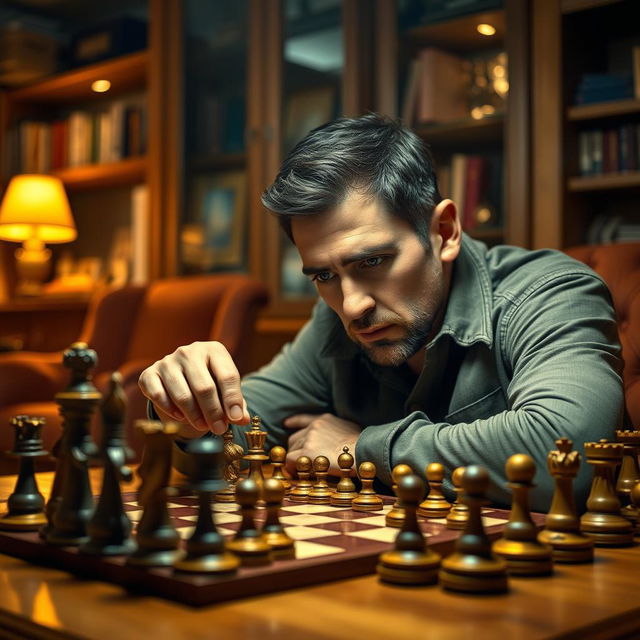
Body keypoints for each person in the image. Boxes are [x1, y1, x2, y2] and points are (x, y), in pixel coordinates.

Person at [139, 113, 624, 511]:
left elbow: (570, 453)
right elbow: (240, 435)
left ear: (445, 231)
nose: (352, 306)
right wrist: (187, 410)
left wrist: (361, 448)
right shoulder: (333, 321)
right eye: (323, 275)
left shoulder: (549, 292)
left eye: (372, 261)